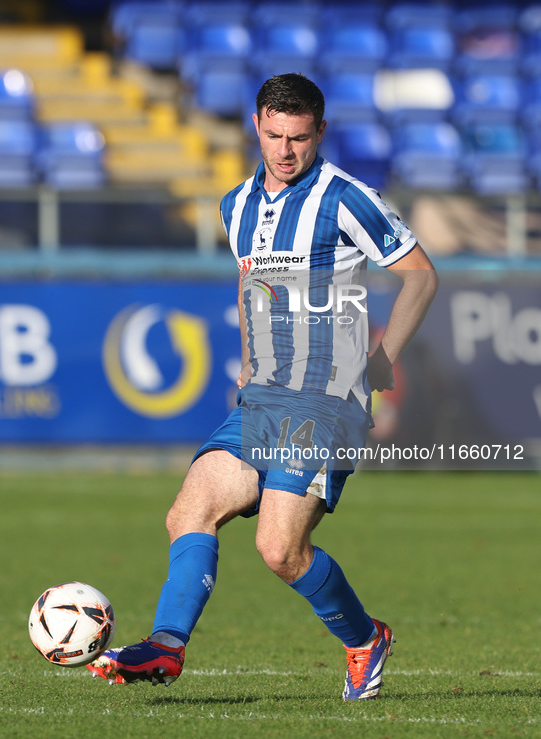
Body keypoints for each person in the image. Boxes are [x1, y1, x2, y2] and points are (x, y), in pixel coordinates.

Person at [88, 73, 438, 701]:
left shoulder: (347, 198)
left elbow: (421, 277)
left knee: (279, 549)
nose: (285, 150)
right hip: (265, 397)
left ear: (320, 133)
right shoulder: (236, 204)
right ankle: (165, 648)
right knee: (189, 509)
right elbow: (250, 284)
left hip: (327, 400)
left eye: (299, 137)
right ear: (256, 126)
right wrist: (249, 363)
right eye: (274, 134)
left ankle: (365, 640)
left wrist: (384, 357)